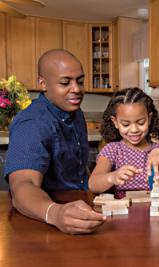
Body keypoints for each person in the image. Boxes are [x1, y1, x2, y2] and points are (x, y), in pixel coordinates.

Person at [4, 49, 106, 234]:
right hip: (44, 224)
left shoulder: (76, 112)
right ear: (43, 83)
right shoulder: (31, 124)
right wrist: (55, 213)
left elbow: (79, 168)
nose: (76, 89)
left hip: (81, 210)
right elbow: (22, 185)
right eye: (65, 82)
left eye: (80, 81)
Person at [88, 88, 159, 198]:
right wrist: (113, 177)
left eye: (140, 122)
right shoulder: (113, 150)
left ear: (149, 118)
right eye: (125, 124)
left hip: (153, 209)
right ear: (115, 122)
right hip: (123, 211)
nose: (134, 129)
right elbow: (93, 184)